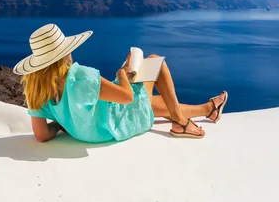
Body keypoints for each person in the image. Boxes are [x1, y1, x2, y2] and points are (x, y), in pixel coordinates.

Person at [13, 24, 228, 143]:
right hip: (112, 126)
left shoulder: (35, 90)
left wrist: (65, 122)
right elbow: (127, 97)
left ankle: (209, 109)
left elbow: (41, 136)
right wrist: (123, 73)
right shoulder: (80, 77)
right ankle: (181, 123)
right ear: (64, 54)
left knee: (151, 103)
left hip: (86, 131)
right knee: (154, 61)